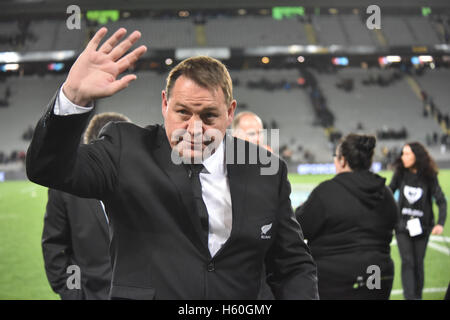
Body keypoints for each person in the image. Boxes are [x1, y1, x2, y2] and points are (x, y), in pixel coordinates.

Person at [26, 27, 318, 300]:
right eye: (183, 112)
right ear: (165, 104)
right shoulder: (124, 149)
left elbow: (291, 265)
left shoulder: (265, 167)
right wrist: (72, 99)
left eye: (208, 117)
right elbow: (47, 168)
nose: (194, 129)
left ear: (230, 113)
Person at [296, 133, 398, 299]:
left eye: (336, 157)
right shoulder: (385, 192)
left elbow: (298, 228)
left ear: (343, 160)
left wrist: (301, 210)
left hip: (335, 281)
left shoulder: (326, 192)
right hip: (379, 276)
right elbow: (393, 221)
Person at [42, 112, 131, 300]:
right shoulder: (65, 189)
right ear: (93, 151)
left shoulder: (147, 184)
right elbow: (55, 247)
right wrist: (73, 294)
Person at [389, 142, 447, 300]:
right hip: (402, 226)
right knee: (407, 262)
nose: (403, 157)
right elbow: (389, 192)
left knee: (418, 263)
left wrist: (440, 223)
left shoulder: (429, 175)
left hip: (422, 227)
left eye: (407, 154)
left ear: (417, 155)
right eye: (403, 153)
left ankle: (417, 296)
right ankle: (410, 297)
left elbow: (441, 200)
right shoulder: (400, 173)